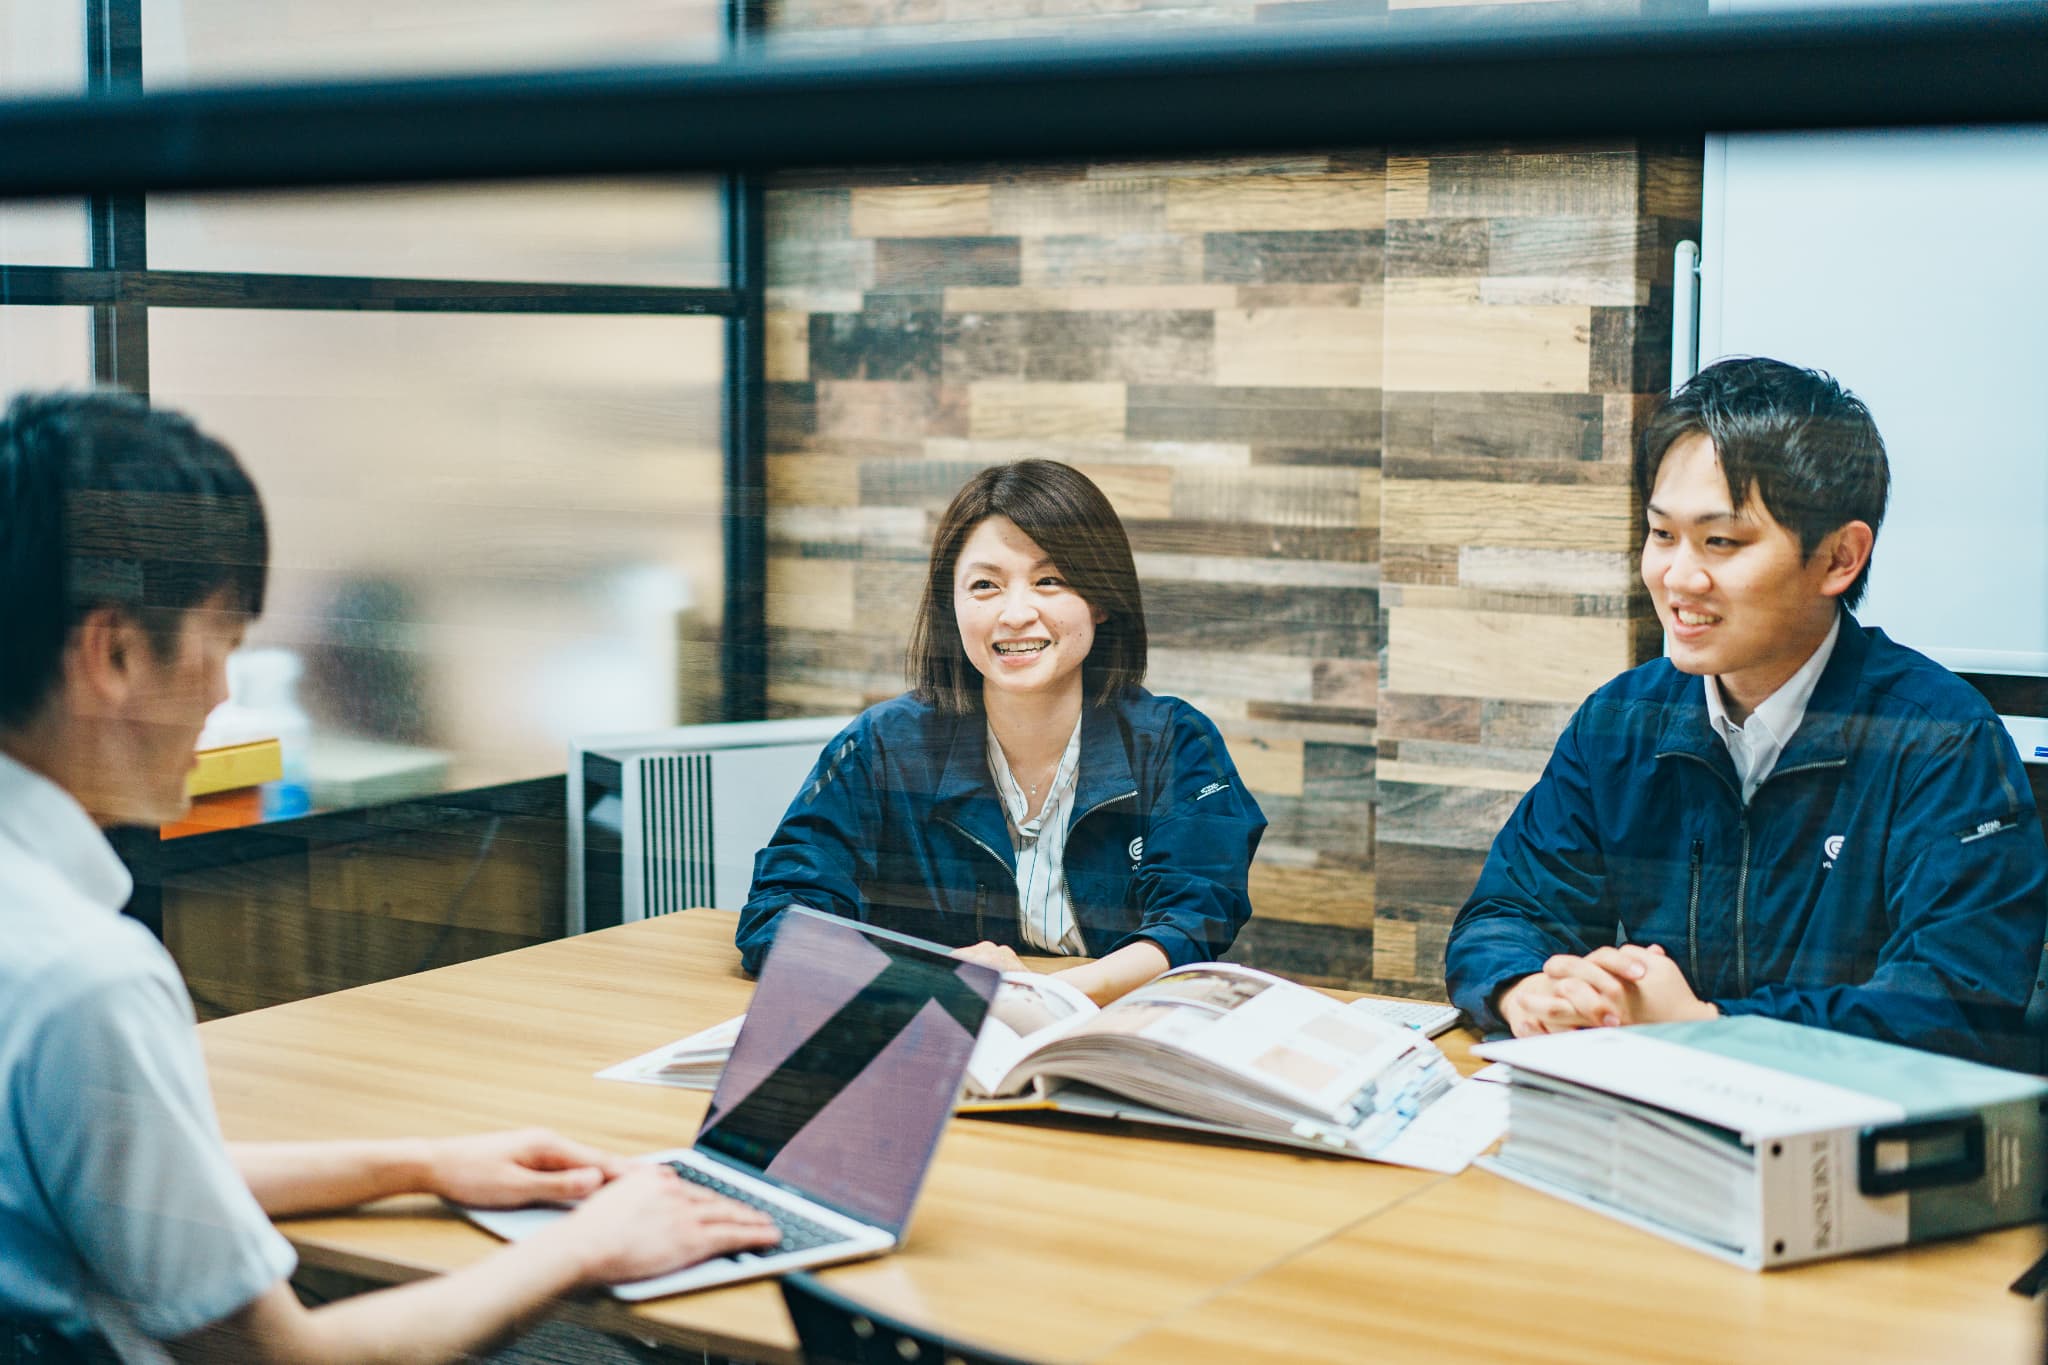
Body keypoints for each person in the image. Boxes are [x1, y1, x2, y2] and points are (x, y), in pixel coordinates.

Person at [0, 391, 780, 1363]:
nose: (221, 693)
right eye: (221, 646)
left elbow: (141, 1186)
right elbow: (286, 1359)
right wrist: (582, 1250)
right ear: (113, 653)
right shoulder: (86, 979)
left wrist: (426, 1164)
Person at [1442, 357, 2048, 1069]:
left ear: (1839, 558)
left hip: (1852, 1149)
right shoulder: (1621, 720)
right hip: (1648, 1119)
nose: (1678, 578)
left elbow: (1953, 1005)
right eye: (1662, 534)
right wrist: (1525, 988)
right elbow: (1506, 913)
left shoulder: (1939, 737)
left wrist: (1709, 1024)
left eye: (1720, 542)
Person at [737, 459, 1266, 1005]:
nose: (1016, 614)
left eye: (1050, 580)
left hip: (1108, 1031)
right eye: (985, 584)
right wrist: (930, 975)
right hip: (933, 1030)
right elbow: (780, 914)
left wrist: (1039, 995)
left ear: (1101, 599)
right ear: (952, 605)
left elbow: (1194, 921)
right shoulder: (883, 746)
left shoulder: (1174, 743)